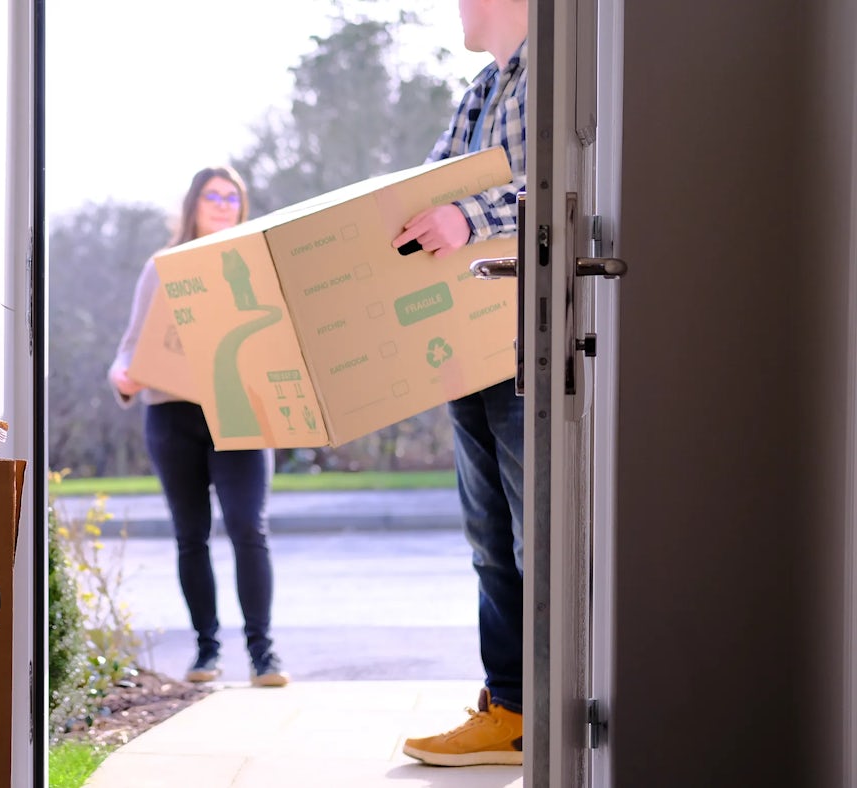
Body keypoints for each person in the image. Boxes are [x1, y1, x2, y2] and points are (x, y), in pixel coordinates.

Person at [390, 0, 530, 767]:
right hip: (465, 346)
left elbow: (571, 189)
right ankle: (509, 705)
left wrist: (467, 220)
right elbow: (427, 192)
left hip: (524, 344)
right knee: (488, 540)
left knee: (535, 536)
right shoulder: (481, 89)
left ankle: (544, 704)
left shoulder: (561, 79)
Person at [107, 166, 290, 688]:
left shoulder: (255, 264)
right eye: (213, 195)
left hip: (240, 413)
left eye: (232, 197)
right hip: (173, 416)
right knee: (192, 536)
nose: (223, 204)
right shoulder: (162, 268)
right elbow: (130, 346)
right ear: (193, 204)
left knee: (248, 528)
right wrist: (121, 376)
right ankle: (207, 651)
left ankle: (264, 655)